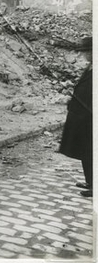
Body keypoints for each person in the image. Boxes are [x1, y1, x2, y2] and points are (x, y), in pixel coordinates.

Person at [59, 36, 93, 198]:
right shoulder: (91, 67)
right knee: (85, 152)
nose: (85, 55)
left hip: (90, 118)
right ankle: (91, 182)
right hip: (83, 117)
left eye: (87, 52)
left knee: (91, 152)